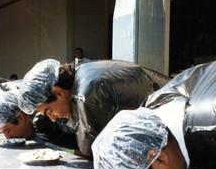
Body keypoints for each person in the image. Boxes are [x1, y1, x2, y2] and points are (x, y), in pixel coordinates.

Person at [18, 59, 169, 157]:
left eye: (49, 111)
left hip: (174, 123)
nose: (52, 118)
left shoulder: (87, 95)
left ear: (58, 92)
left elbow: (93, 152)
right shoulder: (82, 78)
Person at [0, 89, 78, 149]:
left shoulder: (50, 123)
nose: (7, 137)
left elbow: (79, 154)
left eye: (8, 130)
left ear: (21, 117)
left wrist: (59, 151)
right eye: (3, 132)